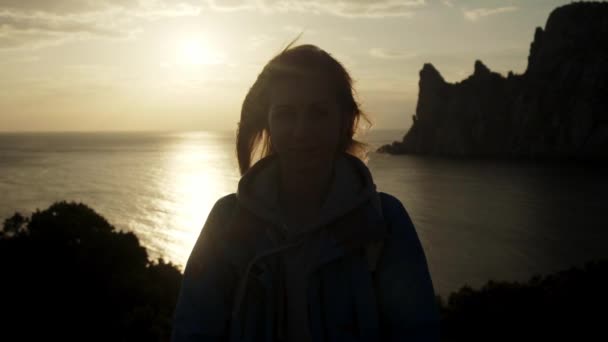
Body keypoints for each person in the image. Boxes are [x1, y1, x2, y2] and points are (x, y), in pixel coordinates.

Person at [171, 41, 440, 342]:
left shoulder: (383, 222)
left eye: (318, 113)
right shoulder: (227, 221)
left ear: (346, 121)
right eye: (286, 114)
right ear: (269, 122)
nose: (302, 131)